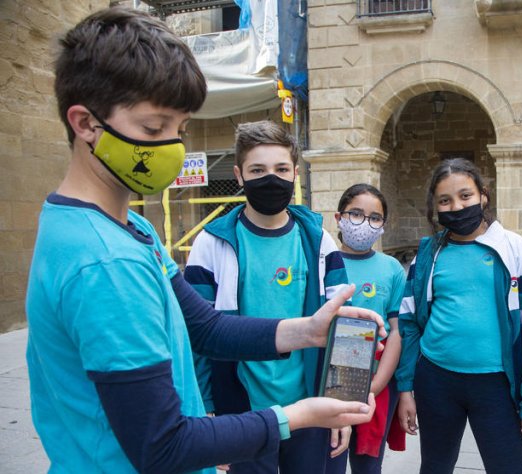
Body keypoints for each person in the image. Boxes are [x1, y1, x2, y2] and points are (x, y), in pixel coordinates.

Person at [25, 7, 384, 474]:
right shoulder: (107, 263)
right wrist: (297, 416)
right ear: (86, 123)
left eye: (180, 130)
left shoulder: (132, 228)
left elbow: (207, 328)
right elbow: (163, 445)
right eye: (153, 128)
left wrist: (310, 331)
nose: (171, 147)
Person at [185, 120, 353, 474]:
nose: (271, 179)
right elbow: (194, 333)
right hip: (240, 412)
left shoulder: (319, 240)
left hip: (310, 406)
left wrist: (343, 403)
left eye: (281, 169)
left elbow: (347, 324)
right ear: (239, 175)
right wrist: (205, 407)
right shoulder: (210, 244)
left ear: (295, 174)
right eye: (258, 170)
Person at [394, 158, 522, 474]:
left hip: (496, 385)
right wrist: (405, 388)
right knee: (435, 466)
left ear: (483, 195)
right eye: (445, 200)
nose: (456, 206)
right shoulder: (427, 254)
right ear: (435, 207)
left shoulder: (515, 249)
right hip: (436, 380)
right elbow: (409, 323)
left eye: (465, 195)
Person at [328, 184, 406, 474]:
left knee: (368, 463)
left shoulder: (392, 268)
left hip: (378, 375)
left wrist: (376, 385)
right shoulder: (324, 263)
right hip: (330, 376)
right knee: (330, 456)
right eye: (356, 214)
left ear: (383, 225)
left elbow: (397, 330)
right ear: (339, 218)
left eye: (375, 218)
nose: (365, 223)